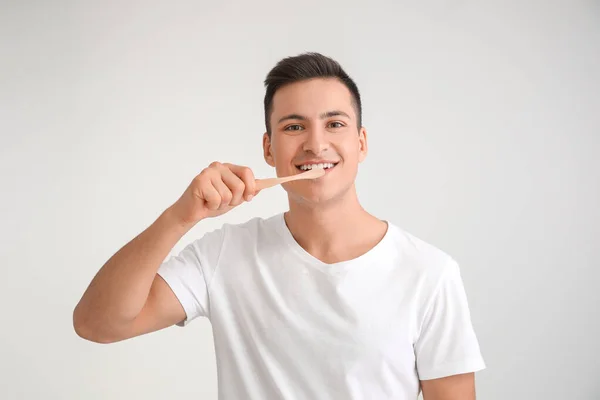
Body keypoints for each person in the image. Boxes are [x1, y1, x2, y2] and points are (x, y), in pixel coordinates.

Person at [73, 52, 486, 399]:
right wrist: (180, 217)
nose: (315, 143)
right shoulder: (223, 255)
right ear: (269, 148)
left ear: (361, 143)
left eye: (334, 123)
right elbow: (97, 324)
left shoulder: (430, 273)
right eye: (294, 126)